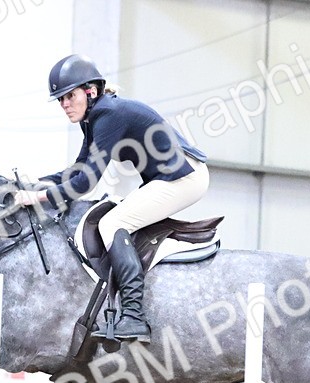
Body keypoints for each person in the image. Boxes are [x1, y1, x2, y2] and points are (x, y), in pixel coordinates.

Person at [15, 54, 209, 343]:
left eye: (70, 96)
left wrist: (39, 196)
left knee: (112, 224)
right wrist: (37, 184)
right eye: (60, 100)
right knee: (116, 221)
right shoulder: (94, 117)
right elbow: (78, 169)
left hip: (184, 178)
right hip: (169, 178)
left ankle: (133, 316)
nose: (65, 105)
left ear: (90, 91)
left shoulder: (108, 115)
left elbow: (85, 184)